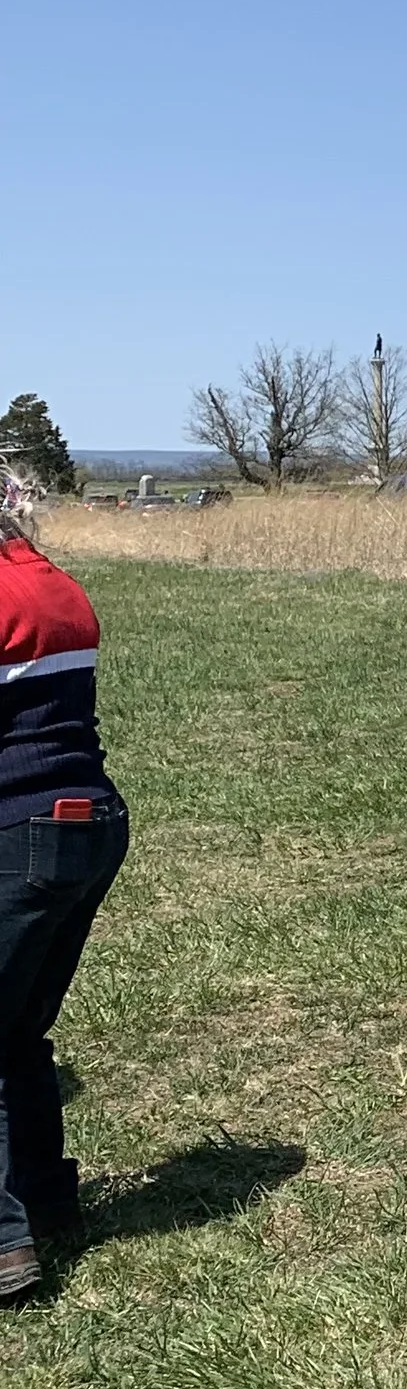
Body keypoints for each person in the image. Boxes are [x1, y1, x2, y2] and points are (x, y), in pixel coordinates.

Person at [0, 508, 129, 1303]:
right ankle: (48, 1202)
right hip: (90, 821)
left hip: (19, 829)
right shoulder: (48, 579)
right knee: (16, 1032)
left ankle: (6, 1244)